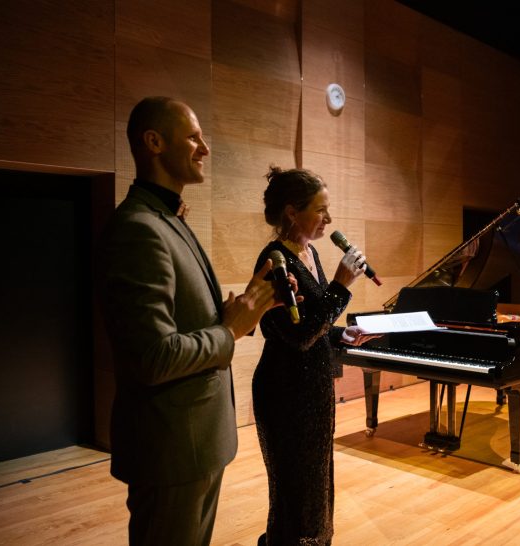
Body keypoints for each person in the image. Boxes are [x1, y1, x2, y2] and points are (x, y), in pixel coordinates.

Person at [100, 96, 280, 545]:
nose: (205, 148)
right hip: (171, 448)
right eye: (194, 137)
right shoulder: (139, 228)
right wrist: (229, 330)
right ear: (154, 142)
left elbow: (187, 321)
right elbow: (153, 356)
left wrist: (247, 310)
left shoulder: (168, 218)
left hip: (195, 442)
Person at [253, 166, 379, 545]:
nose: (329, 219)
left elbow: (316, 322)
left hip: (313, 389)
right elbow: (299, 334)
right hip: (286, 393)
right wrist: (340, 285)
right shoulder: (274, 261)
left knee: (318, 486)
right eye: (321, 210)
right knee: (295, 493)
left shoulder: (309, 253)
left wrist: (343, 334)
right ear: (292, 212)